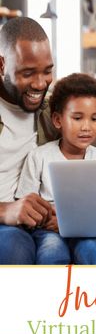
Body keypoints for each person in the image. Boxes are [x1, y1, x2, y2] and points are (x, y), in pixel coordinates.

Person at [16, 73, 96, 265]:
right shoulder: (39, 156)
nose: (87, 127)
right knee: (52, 252)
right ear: (58, 120)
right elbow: (26, 205)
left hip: (89, 231)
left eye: (94, 119)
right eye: (77, 118)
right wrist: (51, 221)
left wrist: (70, 223)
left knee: (94, 249)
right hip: (47, 230)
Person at [0, 17, 57, 264]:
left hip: (37, 227)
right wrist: (6, 210)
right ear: (1, 65)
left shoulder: (51, 113)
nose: (40, 83)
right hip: (7, 228)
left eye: (47, 71)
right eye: (27, 73)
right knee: (15, 246)